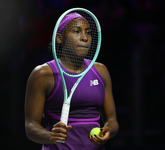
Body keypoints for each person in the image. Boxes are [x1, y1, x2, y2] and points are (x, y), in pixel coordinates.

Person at [25, 12, 119, 150]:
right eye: (76, 31)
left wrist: (108, 130)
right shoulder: (43, 74)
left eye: (88, 32)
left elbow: (112, 120)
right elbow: (31, 126)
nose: (85, 38)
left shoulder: (101, 71)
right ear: (59, 38)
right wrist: (51, 136)